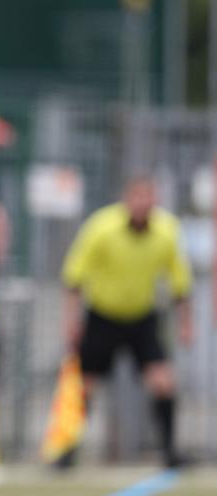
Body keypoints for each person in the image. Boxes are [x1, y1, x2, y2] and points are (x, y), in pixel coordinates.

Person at [61, 175, 193, 468]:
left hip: (141, 316)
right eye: (137, 197)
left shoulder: (166, 231)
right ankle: (67, 450)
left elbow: (180, 284)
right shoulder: (102, 227)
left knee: (163, 382)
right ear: (126, 199)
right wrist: (71, 320)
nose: (142, 204)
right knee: (84, 384)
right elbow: (74, 277)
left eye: (148, 198)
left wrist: (186, 324)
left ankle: (170, 451)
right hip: (103, 314)